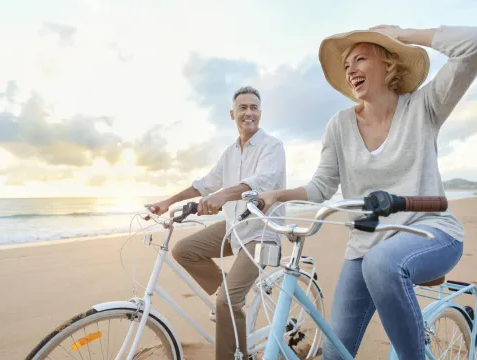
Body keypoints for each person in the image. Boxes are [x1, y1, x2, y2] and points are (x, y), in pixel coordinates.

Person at [257, 25, 477, 359]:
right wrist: (277, 195)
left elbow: (472, 46)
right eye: (346, 66)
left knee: (381, 264)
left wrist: (403, 35)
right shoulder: (339, 125)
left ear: (389, 63)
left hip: (431, 232)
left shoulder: (425, 106)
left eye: (360, 59)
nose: (350, 70)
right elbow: (321, 187)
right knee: (335, 353)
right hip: (364, 246)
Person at [148, 85, 286, 359]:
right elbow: (205, 184)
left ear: (260, 113)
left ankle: (234, 342)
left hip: (263, 231)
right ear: (231, 113)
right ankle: (230, 299)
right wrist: (168, 202)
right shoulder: (230, 152)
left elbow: (261, 183)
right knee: (184, 251)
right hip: (235, 227)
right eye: (243, 107)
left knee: (227, 300)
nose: (249, 112)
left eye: (254, 107)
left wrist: (223, 195)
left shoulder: (273, 146)